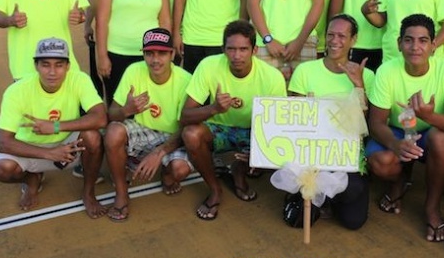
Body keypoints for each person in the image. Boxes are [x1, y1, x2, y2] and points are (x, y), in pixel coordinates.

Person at [366, 14, 444, 242]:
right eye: (408, 40)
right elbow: (376, 123)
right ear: (399, 44)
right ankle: (400, 180)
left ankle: (432, 206)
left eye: (423, 41)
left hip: (429, 132)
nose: (415, 47)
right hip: (397, 130)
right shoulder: (386, 70)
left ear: (434, 45)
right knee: (381, 162)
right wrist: (396, 144)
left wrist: (430, 116)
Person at [181, 20, 287, 220]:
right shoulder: (208, 66)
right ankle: (215, 189)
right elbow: (185, 117)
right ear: (223, 49)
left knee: (279, 156)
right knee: (191, 134)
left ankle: (240, 169)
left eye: (243, 49)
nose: (237, 56)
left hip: (254, 132)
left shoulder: (272, 77)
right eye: (231, 49)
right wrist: (214, 108)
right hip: (219, 129)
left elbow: (279, 128)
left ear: (254, 50)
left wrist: (261, 152)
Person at [0, 38, 107, 218]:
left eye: (59, 65)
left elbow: (100, 117)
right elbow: (2, 143)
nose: (52, 72)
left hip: (67, 143)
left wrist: (56, 126)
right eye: (45, 65)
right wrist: (49, 153)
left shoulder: (79, 79)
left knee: (93, 136)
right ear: (36, 66)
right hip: (31, 148)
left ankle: (88, 193)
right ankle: (32, 179)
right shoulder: (16, 91)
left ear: (68, 66)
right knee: (2, 168)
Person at [288, 14, 375, 229]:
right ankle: (314, 196)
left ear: (353, 39)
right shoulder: (305, 71)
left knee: (354, 221)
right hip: (311, 151)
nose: (335, 41)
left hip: (344, 153)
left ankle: (329, 198)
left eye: (342, 36)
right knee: (298, 219)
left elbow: (365, 124)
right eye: (330, 35)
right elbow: (295, 120)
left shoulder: (367, 75)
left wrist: (358, 86)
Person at [104, 28, 193, 222]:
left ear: (172, 54)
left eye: (162, 53)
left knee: (180, 170)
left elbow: (186, 129)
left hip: (174, 136)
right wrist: (126, 110)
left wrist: (159, 153)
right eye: (149, 53)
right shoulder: (134, 71)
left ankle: (165, 173)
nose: (155, 60)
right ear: (143, 54)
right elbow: (112, 114)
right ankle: (121, 193)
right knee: (113, 132)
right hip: (144, 130)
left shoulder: (186, 80)